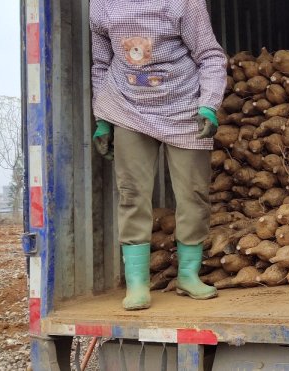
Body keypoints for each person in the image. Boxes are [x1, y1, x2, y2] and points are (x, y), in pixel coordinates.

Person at [89, 0, 227, 310]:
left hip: (182, 105)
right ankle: (137, 284)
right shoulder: (101, 4)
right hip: (128, 107)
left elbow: (210, 55)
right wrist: (102, 118)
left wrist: (209, 103)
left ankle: (188, 275)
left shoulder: (184, 2)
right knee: (132, 192)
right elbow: (101, 64)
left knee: (193, 193)